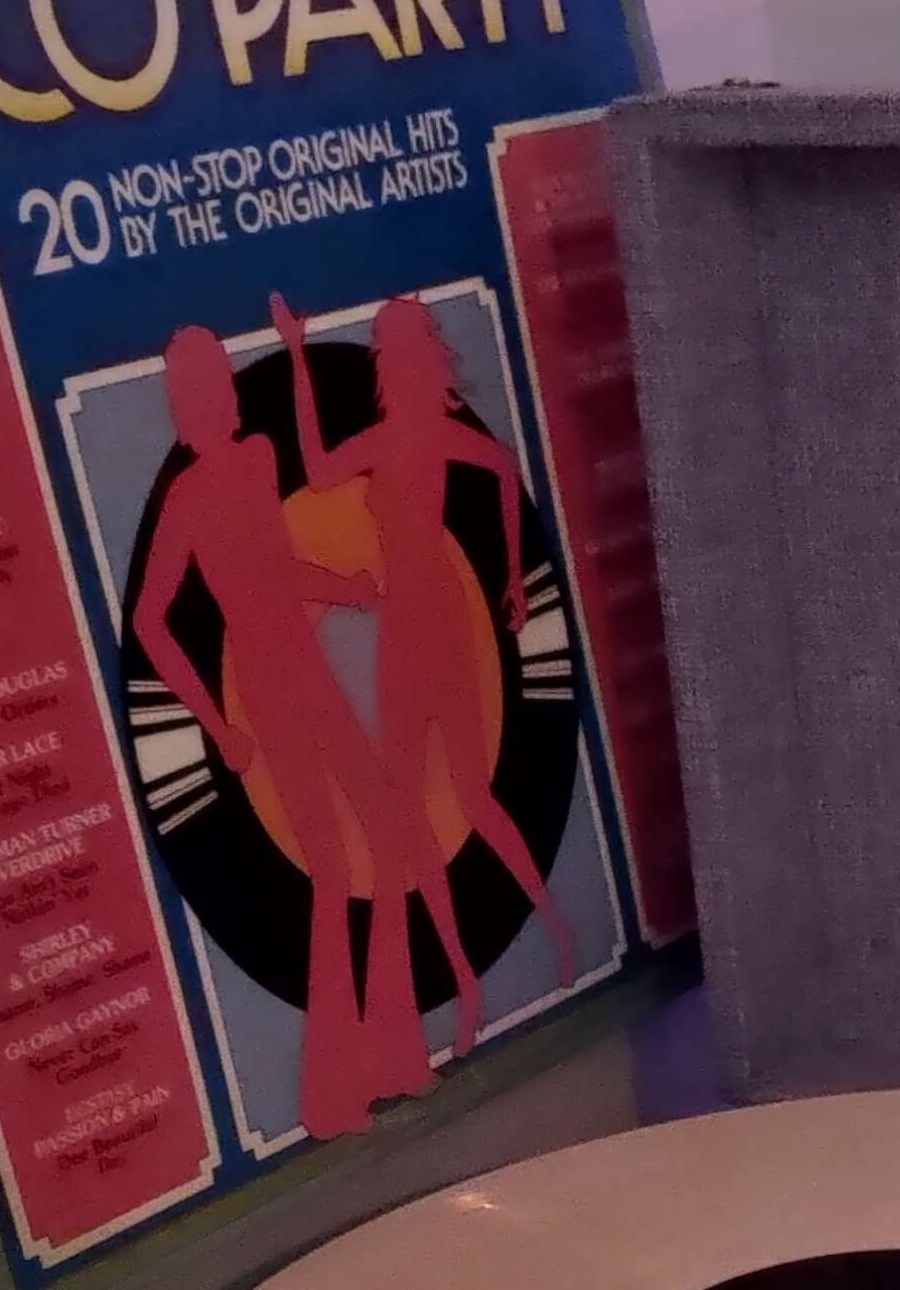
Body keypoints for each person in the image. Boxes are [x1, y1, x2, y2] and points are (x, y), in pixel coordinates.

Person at [274, 291, 573, 1058]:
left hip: (422, 619)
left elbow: (500, 470)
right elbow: (501, 472)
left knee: (456, 799)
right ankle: (491, 969)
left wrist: (509, 574)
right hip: (409, 621)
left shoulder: (409, 436)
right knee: (433, 808)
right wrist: (507, 573)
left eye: (385, 346)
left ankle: (529, 943)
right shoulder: (414, 435)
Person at [130, 320, 411, 1137]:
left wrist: (345, 589)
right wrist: (216, 724)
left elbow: (275, 566)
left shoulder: (256, 461)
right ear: (181, 409)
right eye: (195, 392)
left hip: (306, 668)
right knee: (328, 868)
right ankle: (332, 1091)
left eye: (218, 383)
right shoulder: (184, 500)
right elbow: (151, 620)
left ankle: (387, 1055)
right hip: (263, 682)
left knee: (387, 838)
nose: (212, 400)